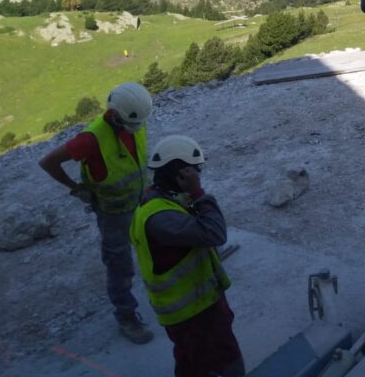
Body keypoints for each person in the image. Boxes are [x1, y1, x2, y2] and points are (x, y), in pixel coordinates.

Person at [39, 82, 155, 344]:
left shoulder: (135, 118)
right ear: (114, 114)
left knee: (157, 238)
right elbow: (48, 161)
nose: (136, 127)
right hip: (113, 213)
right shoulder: (90, 139)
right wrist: (75, 187)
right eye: (130, 123)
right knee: (119, 263)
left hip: (140, 198)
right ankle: (126, 316)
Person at [131, 134, 245, 377]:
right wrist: (198, 193)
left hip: (197, 304)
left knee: (195, 359)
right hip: (191, 311)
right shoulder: (161, 217)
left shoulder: (160, 198)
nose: (198, 175)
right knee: (211, 359)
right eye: (194, 171)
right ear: (180, 174)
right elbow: (215, 233)